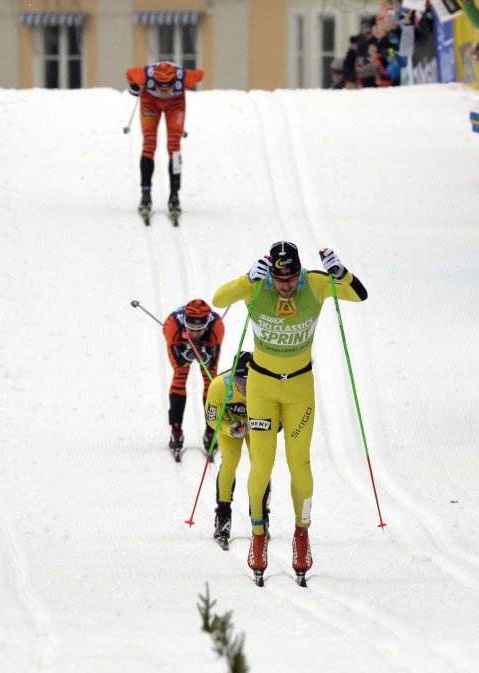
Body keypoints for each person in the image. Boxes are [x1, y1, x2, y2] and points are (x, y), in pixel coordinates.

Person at [212, 241, 368, 580]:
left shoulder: (314, 284)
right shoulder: (256, 286)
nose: (286, 286)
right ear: (270, 273)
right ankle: (258, 536)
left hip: (299, 388)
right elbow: (219, 299)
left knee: (300, 463)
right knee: (262, 464)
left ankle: (302, 535)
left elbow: (359, 295)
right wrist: (245, 280)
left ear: (299, 271)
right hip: (261, 388)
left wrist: (341, 273)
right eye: (280, 280)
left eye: (292, 278)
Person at [125, 61, 204, 215]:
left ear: (175, 82)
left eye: (168, 88)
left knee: (174, 146)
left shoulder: (185, 76)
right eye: (160, 89)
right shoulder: (144, 74)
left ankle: (174, 195)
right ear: (154, 82)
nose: (164, 93)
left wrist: (186, 88)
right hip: (150, 103)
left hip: (175, 104)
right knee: (149, 143)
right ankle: (145, 195)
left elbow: (200, 74)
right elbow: (129, 74)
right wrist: (134, 87)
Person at [204, 351, 258, 549]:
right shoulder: (219, 386)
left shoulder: (265, 384)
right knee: (230, 460)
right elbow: (211, 418)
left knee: (260, 463)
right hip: (230, 423)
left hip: (256, 424)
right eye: (238, 380)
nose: (243, 385)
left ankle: (261, 515)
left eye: (248, 380)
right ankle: (223, 515)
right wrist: (229, 429)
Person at [163, 299, 224, 457]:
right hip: (180, 343)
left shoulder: (216, 326)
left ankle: (211, 431)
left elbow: (212, 363)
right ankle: (176, 431)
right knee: (180, 375)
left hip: (207, 345)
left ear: (206, 325)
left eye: (199, 330)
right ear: (185, 322)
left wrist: (205, 356)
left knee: (211, 381)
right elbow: (178, 362)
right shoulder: (171, 325)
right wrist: (186, 355)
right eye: (190, 329)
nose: (195, 334)